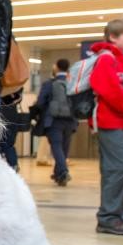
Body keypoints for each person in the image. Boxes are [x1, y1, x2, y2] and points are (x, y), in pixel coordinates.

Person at [90, 19, 123, 235]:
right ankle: (108, 216)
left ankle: (113, 213)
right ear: (113, 37)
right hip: (110, 121)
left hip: (120, 121)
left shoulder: (120, 60)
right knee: (119, 167)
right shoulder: (106, 59)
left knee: (116, 167)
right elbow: (108, 89)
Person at [35, 58, 78, 186]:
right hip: (70, 120)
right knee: (64, 148)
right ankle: (59, 174)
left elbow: (40, 102)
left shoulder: (49, 84)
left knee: (56, 146)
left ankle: (63, 171)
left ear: (57, 67)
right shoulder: (73, 83)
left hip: (53, 121)